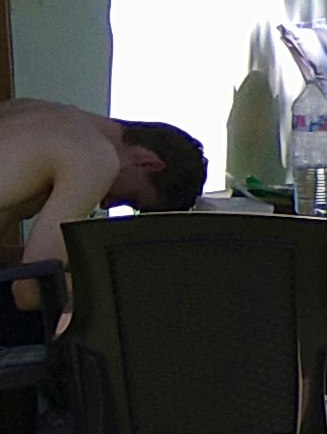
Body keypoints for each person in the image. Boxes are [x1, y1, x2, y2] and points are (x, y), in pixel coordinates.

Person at [0, 101, 206, 313]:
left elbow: (12, 263)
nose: (104, 203)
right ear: (148, 162)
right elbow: (29, 291)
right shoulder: (95, 157)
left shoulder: (37, 112)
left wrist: (85, 263)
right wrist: (131, 284)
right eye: (131, 200)